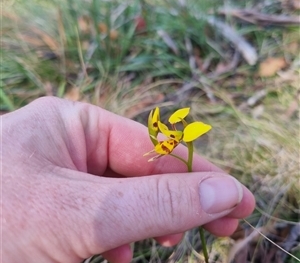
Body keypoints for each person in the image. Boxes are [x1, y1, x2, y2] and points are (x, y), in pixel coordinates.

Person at [2, 97, 255, 263]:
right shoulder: (176, 142)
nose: (166, 138)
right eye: (165, 134)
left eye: (170, 136)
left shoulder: (185, 137)